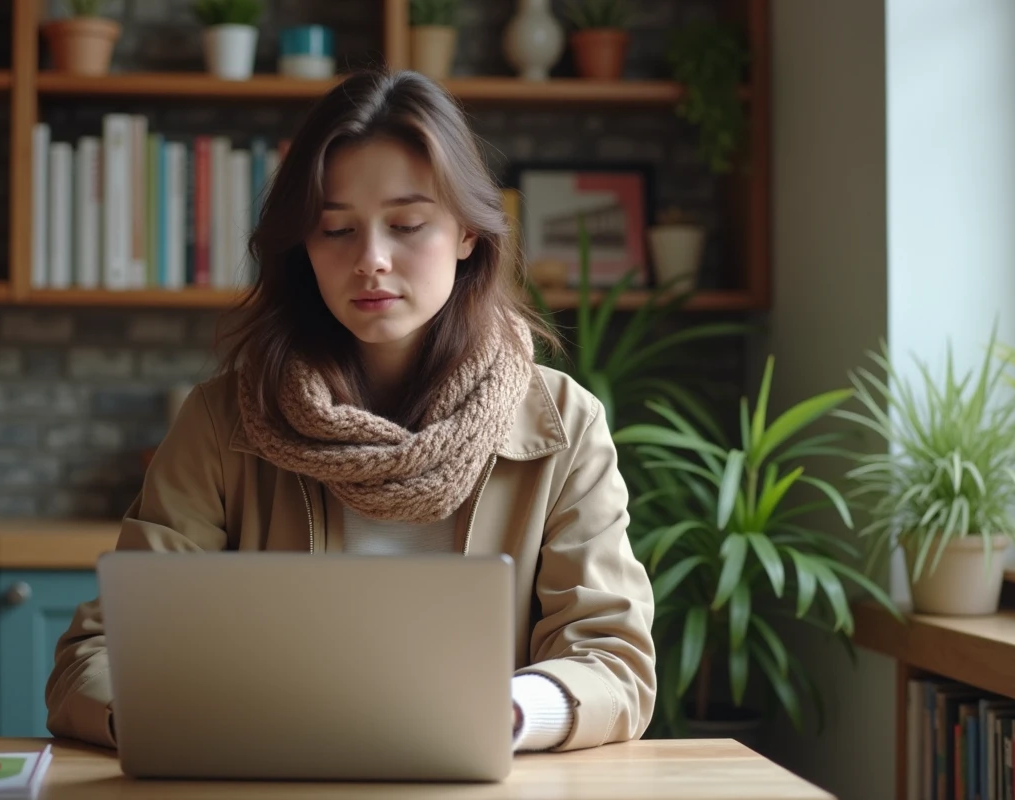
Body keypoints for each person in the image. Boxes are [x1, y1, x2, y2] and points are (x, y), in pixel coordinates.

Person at [45, 68, 656, 755]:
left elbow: (614, 662)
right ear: (302, 248)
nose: (371, 260)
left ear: (467, 232)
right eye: (335, 229)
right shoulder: (224, 421)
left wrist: (505, 714)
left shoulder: (563, 424)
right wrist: (179, 719)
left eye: (407, 224)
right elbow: (95, 658)